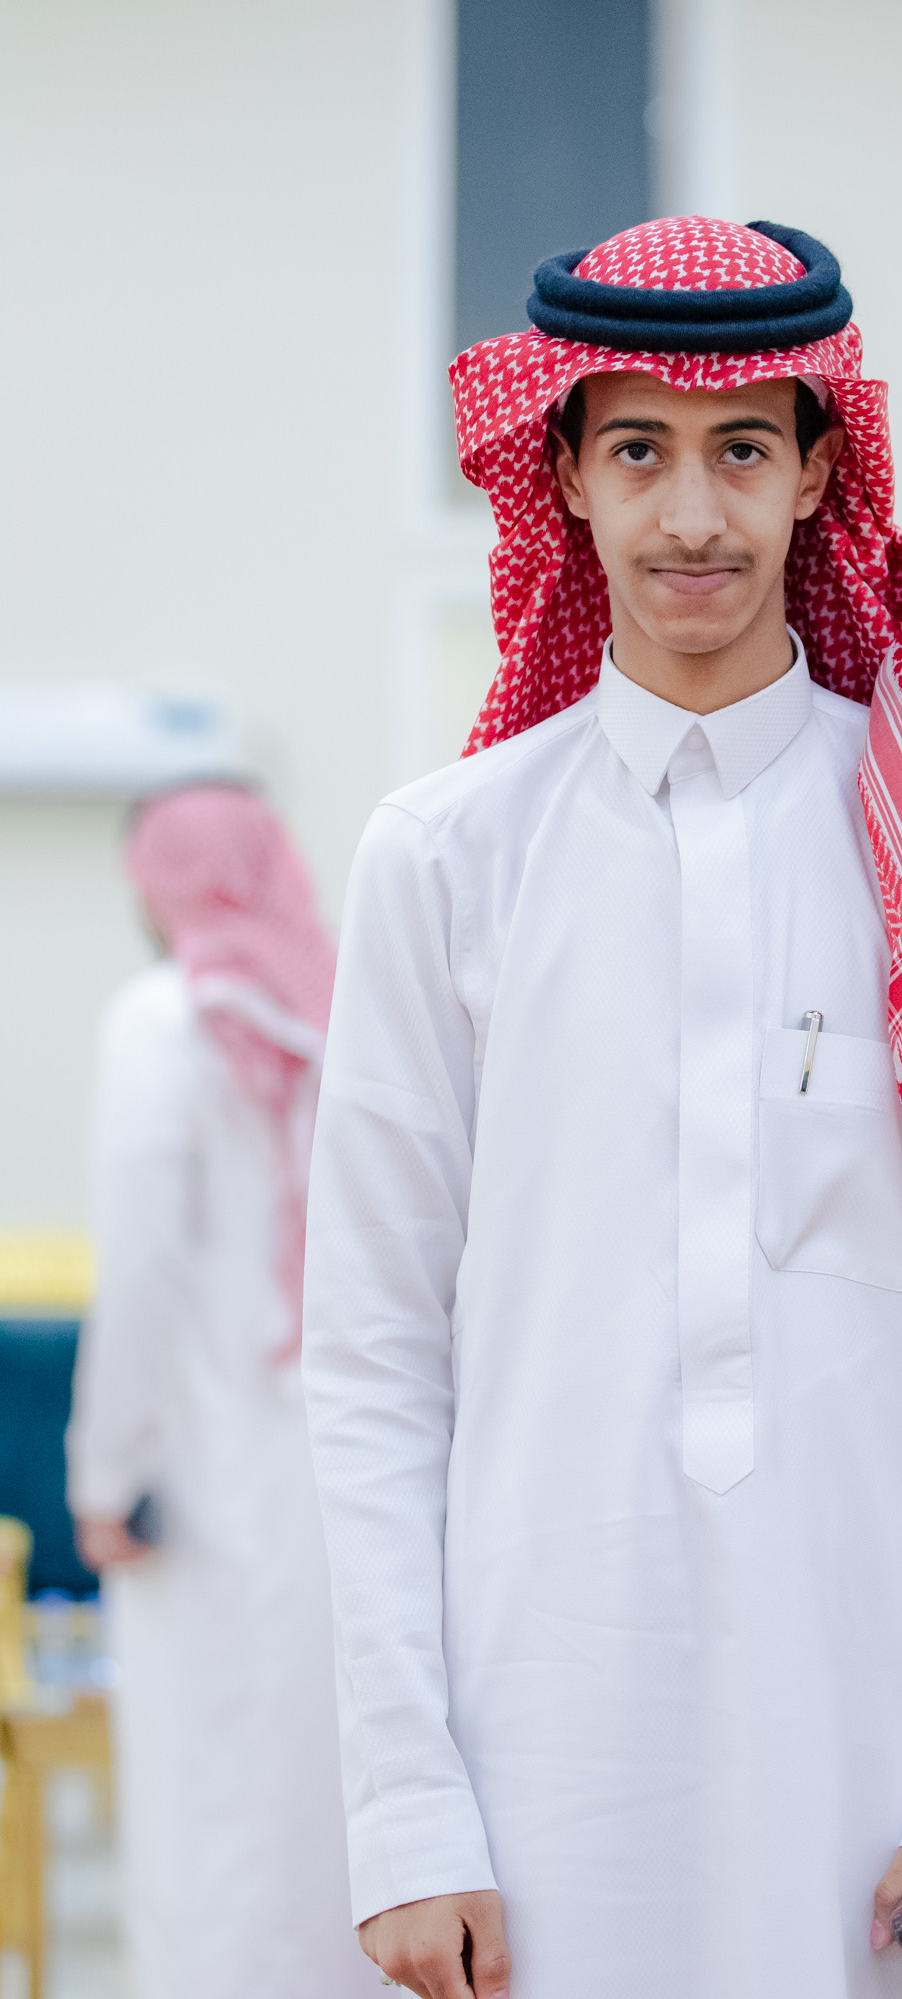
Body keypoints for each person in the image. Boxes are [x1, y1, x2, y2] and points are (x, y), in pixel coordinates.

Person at [302, 216, 902, 1999]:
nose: (691, 516)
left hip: (871, 1756)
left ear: (820, 468)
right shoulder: (445, 859)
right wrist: (404, 1805)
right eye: (639, 450)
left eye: (742, 451)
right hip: (528, 1759)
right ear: (563, 473)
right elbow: (374, 1360)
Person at [66, 782, 374, 1999]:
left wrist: (104, 1478)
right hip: (356, 1469)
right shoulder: (347, 998)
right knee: (332, 1791)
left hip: (207, 1478)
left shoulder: (160, 1019)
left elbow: (140, 1273)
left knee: (213, 1794)